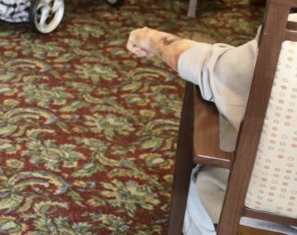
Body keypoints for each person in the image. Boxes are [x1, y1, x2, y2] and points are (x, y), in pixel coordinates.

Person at [124, 26, 296, 234]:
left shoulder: (288, 34)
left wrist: (151, 39)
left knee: (209, 172)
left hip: (261, 203)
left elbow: (209, 67)